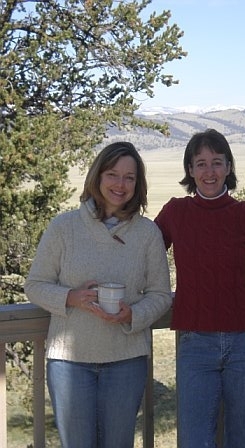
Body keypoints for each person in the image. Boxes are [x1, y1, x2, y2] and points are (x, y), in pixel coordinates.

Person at [154, 128, 245, 448]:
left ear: (229, 167)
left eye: (217, 162)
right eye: (201, 163)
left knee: (241, 441)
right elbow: (144, 256)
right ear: (190, 170)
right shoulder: (175, 213)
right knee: (194, 442)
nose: (210, 171)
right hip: (196, 347)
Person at [24, 142, 172, 448]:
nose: (120, 184)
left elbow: (160, 294)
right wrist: (71, 297)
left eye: (129, 177)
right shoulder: (64, 227)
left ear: (138, 184)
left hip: (126, 361)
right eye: (113, 174)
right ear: (97, 176)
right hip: (69, 364)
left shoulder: (147, 233)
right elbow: (35, 284)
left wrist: (133, 314)